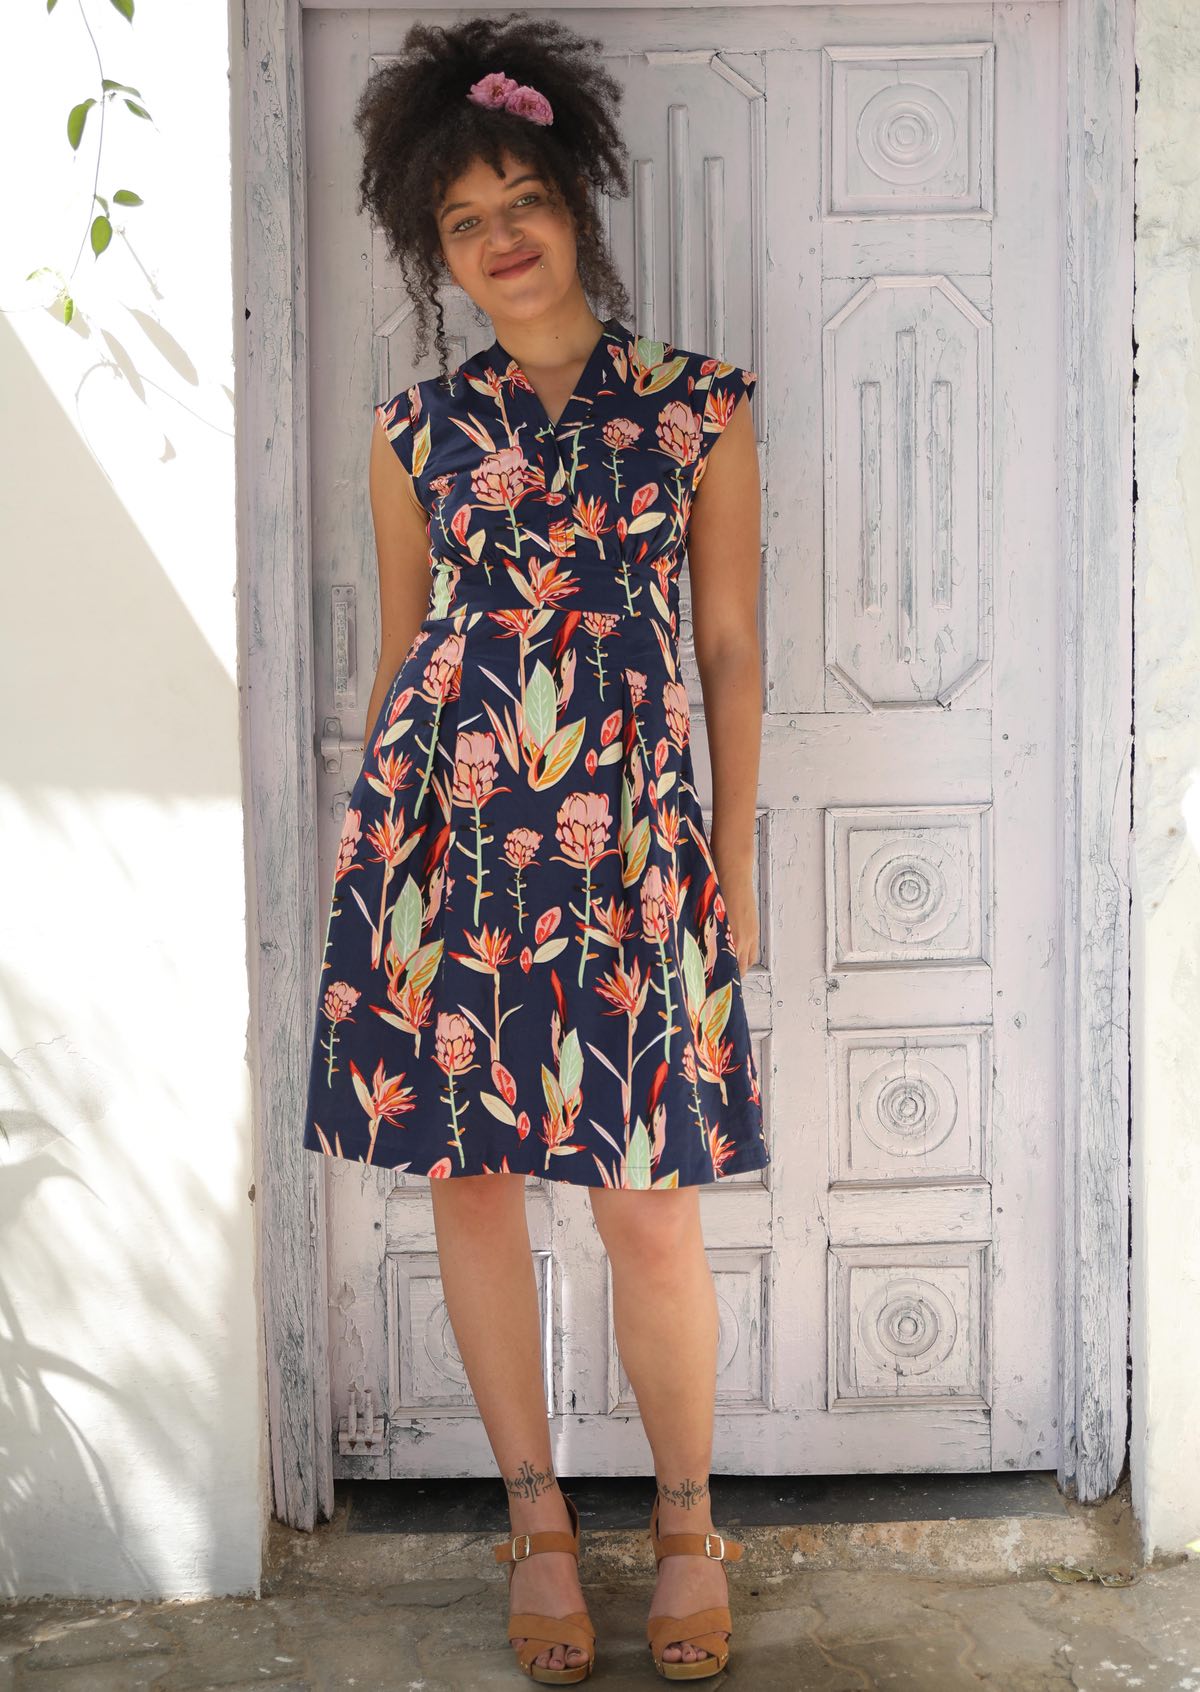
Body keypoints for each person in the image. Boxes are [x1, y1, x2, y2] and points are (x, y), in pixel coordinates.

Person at [302, 12, 767, 1682]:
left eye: (522, 201)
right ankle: (540, 1523)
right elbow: (403, 653)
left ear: (574, 201)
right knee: (473, 1183)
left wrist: (738, 864)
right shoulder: (414, 430)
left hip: (634, 845)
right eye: (461, 222)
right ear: (438, 251)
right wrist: (381, 865)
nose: (500, 239)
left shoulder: (699, 410)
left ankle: (693, 1524)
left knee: (651, 1207)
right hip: (450, 847)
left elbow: (727, 655)